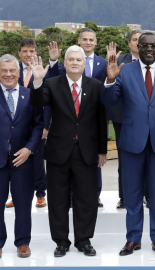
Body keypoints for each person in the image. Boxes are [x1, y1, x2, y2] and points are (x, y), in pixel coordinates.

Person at [102, 32, 155, 257]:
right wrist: (110, 80)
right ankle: (133, 238)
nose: (149, 49)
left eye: (153, 45)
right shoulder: (124, 70)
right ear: (137, 47)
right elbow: (109, 101)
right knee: (132, 193)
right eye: (144, 45)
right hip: (131, 141)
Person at [29, 46, 108, 257]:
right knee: (57, 199)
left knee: (87, 198)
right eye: (70, 59)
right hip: (58, 151)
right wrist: (37, 81)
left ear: (84, 64)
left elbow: (101, 120)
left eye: (78, 60)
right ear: (64, 64)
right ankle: (61, 241)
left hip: (87, 151)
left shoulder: (96, 86)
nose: (74, 63)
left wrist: (102, 150)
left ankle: (83, 240)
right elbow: (37, 102)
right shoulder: (52, 83)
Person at [49, 28, 106, 207]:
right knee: (70, 163)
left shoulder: (104, 63)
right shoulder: (67, 63)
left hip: (92, 118)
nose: (88, 42)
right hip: (68, 122)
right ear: (79, 41)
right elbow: (53, 84)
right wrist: (52, 61)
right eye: (85, 39)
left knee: (92, 160)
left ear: (95, 42)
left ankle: (95, 194)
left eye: (91, 39)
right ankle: (72, 196)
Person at [5, 38, 58, 209]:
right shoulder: (12, 70)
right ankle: (15, 195)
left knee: (37, 161)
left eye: (32, 51)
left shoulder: (44, 71)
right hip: (16, 125)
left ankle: (41, 194)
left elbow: (49, 101)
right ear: (19, 53)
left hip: (38, 124)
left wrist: (45, 125)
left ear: (36, 52)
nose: (28, 54)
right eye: (25, 51)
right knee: (14, 159)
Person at [0, 54, 43, 258]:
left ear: (19, 72)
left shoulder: (29, 95)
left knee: (24, 203)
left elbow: (38, 125)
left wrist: (29, 149)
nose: (8, 74)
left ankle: (23, 242)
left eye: (12, 70)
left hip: (23, 159)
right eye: (4, 71)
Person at [105, 30, 151, 210]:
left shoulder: (153, 62)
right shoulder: (118, 61)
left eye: (142, 40)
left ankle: (148, 196)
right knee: (125, 160)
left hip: (146, 119)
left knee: (148, 159)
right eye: (135, 40)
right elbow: (109, 88)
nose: (138, 43)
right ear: (130, 43)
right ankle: (124, 197)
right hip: (123, 119)